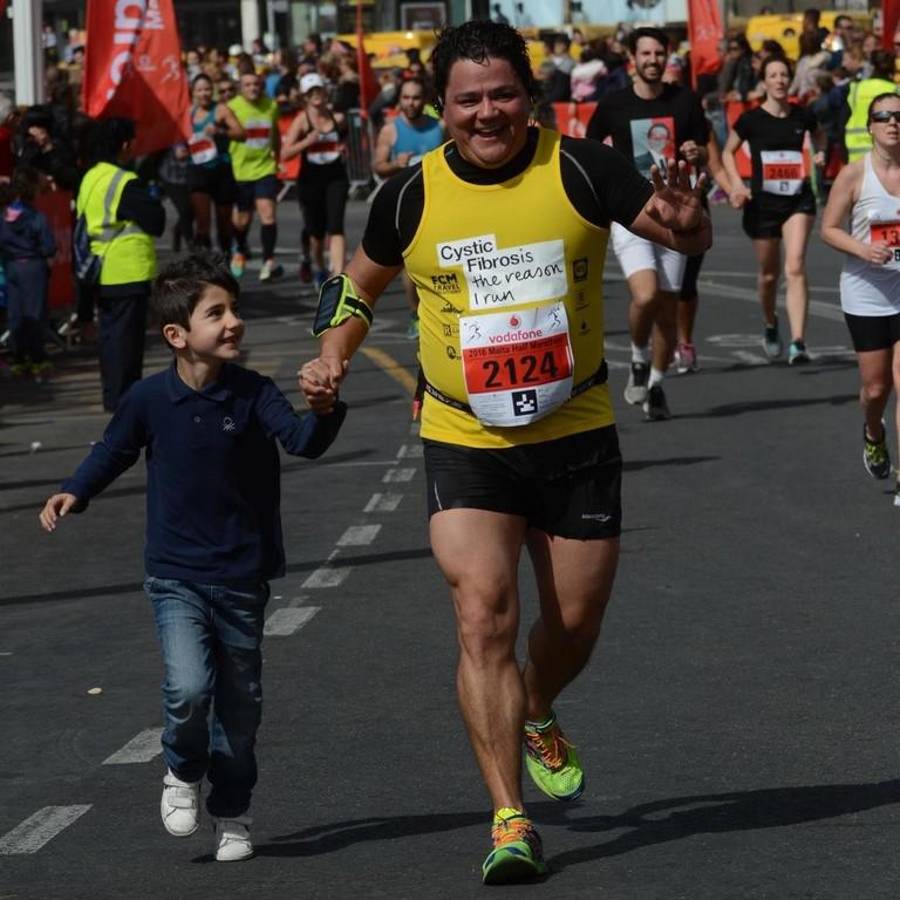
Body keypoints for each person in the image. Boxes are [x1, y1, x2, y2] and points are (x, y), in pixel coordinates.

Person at [299, 20, 710, 885]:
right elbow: (356, 288)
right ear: (442, 108)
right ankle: (509, 816)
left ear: (530, 96)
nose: (487, 114)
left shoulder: (579, 167)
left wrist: (686, 213)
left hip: (575, 431)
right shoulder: (410, 195)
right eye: (467, 100)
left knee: (571, 625)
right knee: (483, 612)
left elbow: (682, 235)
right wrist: (333, 351)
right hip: (464, 435)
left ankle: (540, 704)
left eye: (502, 96)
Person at [38, 253, 346, 862]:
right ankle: (181, 768)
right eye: (217, 313)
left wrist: (325, 410)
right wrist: (76, 488)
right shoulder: (149, 399)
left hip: (241, 578)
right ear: (177, 336)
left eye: (235, 309)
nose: (233, 321)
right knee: (188, 689)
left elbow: (303, 443)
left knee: (241, 710)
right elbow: (113, 449)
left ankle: (232, 812)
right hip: (175, 575)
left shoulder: (254, 394)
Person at [586, 26, 709, 420]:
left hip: (676, 216)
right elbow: (591, 150)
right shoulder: (613, 105)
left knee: (668, 310)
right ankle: (638, 358)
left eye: (660, 53)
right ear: (632, 60)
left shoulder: (685, 101)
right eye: (646, 54)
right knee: (646, 296)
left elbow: (702, 150)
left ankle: (656, 384)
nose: (654, 60)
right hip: (633, 213)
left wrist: (696, 151)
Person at [821, 92, 900, 502]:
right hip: (865, 293)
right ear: (870, 126)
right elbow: (829, 228)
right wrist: (864, 249)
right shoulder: (854, 175)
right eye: (884, 116)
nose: (893, 122)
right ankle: (874, 431)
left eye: (899, 116)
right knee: (875, 389)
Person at [723, 55, 825, 365]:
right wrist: (736, 186)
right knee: (768, 275)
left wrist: (818, 154)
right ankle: (770, 323)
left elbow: (819, 135)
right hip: (762, 204)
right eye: (773, 75)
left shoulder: (802, 115)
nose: (779, 80)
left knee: (794, 266)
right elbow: (728, 152)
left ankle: (798, 342)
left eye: (784, 75)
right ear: (764, 81)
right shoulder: (751, 120)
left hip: (798, 199)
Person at [76, 117, 165, 411]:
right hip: (127, 266)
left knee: (111, 338)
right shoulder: (123, 180)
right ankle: (124, 400)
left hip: (100, 267)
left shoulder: (90, 177)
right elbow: (156, 220)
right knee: (127, 342)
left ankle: (114, 395)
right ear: (124, 145)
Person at [372, 77, 445, 337]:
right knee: (410, 265)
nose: (410, 103)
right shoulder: (391, 130)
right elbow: (378, 166)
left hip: (440, 201)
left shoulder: (440, 127)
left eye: (415, 98)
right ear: (399, 100)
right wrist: (396, 164)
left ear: (423, 100)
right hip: (406, 204)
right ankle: (416, 313)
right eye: (406, 98)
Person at [281, 72, 349, 287]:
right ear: (305, 97)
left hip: (335, 176)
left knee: (336, 226)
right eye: (311, 92)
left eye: (319, 90)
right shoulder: (302, 120)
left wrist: (343, 147)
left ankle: (337, 275)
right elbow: (285, 153)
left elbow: (344, 138)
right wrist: (307, 142)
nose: (316, 95)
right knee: (316, 233)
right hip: (311, 180)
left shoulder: (337, 118)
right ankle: (319, 267)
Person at [0, 165, 56, 378]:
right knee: (34, 313)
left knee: (15, 312)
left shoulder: (4, 215)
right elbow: (49, 246)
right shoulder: (35, 217)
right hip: (33, 266)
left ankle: (18, 356)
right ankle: (37, 357)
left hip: (11, 266)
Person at [228, 68, 283, 281]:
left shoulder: (271, 106)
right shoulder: (232, 107)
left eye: (256, 85)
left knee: (267, 213)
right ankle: (240, 249)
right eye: (248, 85)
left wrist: (277, 157)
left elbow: (275, 133)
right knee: (242, 220)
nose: (253, 88)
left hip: (264, 168)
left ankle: (268, 261)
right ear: (240, 88)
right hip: (239, 170)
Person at [187, 73, 244, 254]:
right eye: (200, 90)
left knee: (224, 224)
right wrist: (180, 147)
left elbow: (242, 134)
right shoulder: (188, 113)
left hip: (221, 171)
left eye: (207, 89)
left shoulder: (221, 110)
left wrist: (220, 130)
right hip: (198, 171)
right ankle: (204, 262)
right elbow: (177, 136)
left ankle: (225, 260)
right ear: (193, 92)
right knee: (202, 223)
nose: (204, 93)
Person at [844, 50, 897, 163]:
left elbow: (843, 120)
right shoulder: (895, 90)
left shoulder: (856, 88)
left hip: (856, 153)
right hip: (886, 155)